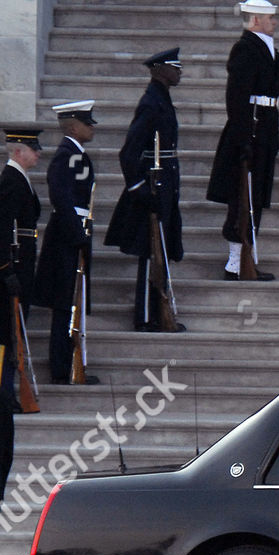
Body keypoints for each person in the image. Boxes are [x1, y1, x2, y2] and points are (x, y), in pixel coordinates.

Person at [105, 48, 186, 332]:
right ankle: (144, 316)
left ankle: (159, 312)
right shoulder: (151, 103)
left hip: (165, 184)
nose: (179, 71)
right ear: (159, 70)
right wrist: (139, 189)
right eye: (174, 67)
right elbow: (128, 152)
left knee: (160, 250)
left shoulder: (162, 99)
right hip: (153, 186)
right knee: (149, 252)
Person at [207, 0, 279, 281]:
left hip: (264, 128)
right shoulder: (246, 49)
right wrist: (242, 140)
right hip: (249, 129)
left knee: (256, 196)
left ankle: (248, 256)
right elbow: (236, 98)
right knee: (243, 197)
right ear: (256, 21)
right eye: (270, 18)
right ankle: (235, 262)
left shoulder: (268, 49)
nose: (274, 23)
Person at [33, 101, 99, 385]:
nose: (91, 127)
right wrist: (78, 235)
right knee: (65, 303)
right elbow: (61, 198)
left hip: (75, 230)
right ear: (73, 126)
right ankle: (61, 367)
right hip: (67, 235)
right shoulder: (66, 156)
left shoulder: (75, 155)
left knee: (72, 301)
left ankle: (72, 364)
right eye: (87, 122)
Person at [0, 125, 45, 485]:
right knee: (9, 334)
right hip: (13, 269)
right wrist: (5, 269)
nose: (38, 153)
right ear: (17, 151)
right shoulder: (9, 181)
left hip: (22, 264)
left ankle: (12, 392)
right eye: (33, 148)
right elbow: (2, 228)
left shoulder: (20, 179)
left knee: (17, 332)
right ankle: (8, 392)